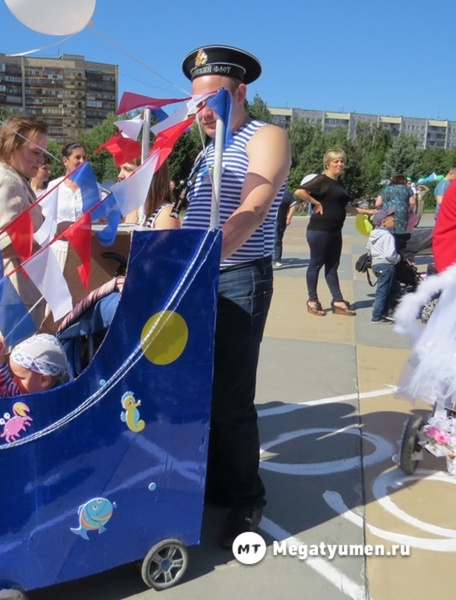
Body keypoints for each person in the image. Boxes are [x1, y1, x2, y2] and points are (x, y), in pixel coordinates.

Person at [180, 45, 291, 548]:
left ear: (240, 93)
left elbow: (254, 203)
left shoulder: (264, 135)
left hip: (238, 277)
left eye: (212, 101)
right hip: (199, 276)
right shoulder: (206, 148)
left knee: (231, 399)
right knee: (200, 391)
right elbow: (195, 213)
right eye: (194, 103)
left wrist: (205, 257)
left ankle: (247, 498)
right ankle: (217, 484)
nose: (201, 112)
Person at [0, 115, 47, 348]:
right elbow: (3, 244)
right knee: (14, 372)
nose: (41, 159)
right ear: (12, 148)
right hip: (11, 297)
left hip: (16, 294)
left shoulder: (15, 179)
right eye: (35, 151)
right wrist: (54, 236)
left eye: (42, 152)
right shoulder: (5, 182)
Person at [294, 149, 375, 317]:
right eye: (336, 161)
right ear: (327, 163)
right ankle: (312, 300)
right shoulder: (322, 180)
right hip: (319, 229)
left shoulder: (338, 183)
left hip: (335, 230)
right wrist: (316, 202)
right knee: (316, 264)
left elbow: (344, 207)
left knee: (332, 266)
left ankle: (337, 300)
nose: (340, 164)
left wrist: (368, 212)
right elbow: (299, 192)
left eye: (342, 161)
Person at [0, 334, 70, 396]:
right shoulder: (20, 392)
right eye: (14, 375)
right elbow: (5, 388)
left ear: (43, 380)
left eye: (21, 378)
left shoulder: (60, 397)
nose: (14, 380)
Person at [368, 207, 401, 323]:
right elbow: (390, 255)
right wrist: (398, 258)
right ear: (384, 222)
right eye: (393, 220)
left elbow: (368, 249)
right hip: (386, 266)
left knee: (395, 288)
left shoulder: (373, 234)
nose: (395, 222)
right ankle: (378, 315)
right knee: (383, 291)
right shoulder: (388, 236)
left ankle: (385, 311)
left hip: (376, 265)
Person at [273, 189, 298, 267]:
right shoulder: (267, 190)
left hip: (279, 220)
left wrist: (289, 217)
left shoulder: (285, 193)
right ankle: (266, 258)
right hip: (267, 220)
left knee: (277, 239)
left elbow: (293, 205)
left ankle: (277, 259)